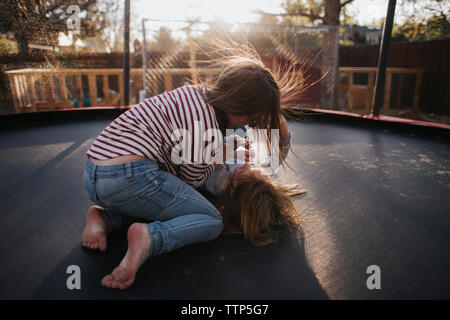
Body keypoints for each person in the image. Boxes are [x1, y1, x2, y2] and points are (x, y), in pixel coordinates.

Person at [81, 54, 301, 290]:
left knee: (168, 203)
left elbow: (195, 179)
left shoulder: (195, 93)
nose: (251, 122)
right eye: (252, 116)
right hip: (128, 176)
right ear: (238, 106)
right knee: (211, 221)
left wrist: (221, 156)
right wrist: (222, 153)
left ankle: (105, 218)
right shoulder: (210, 130)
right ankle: (150, 238)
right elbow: (195, 177)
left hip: (96, 171)